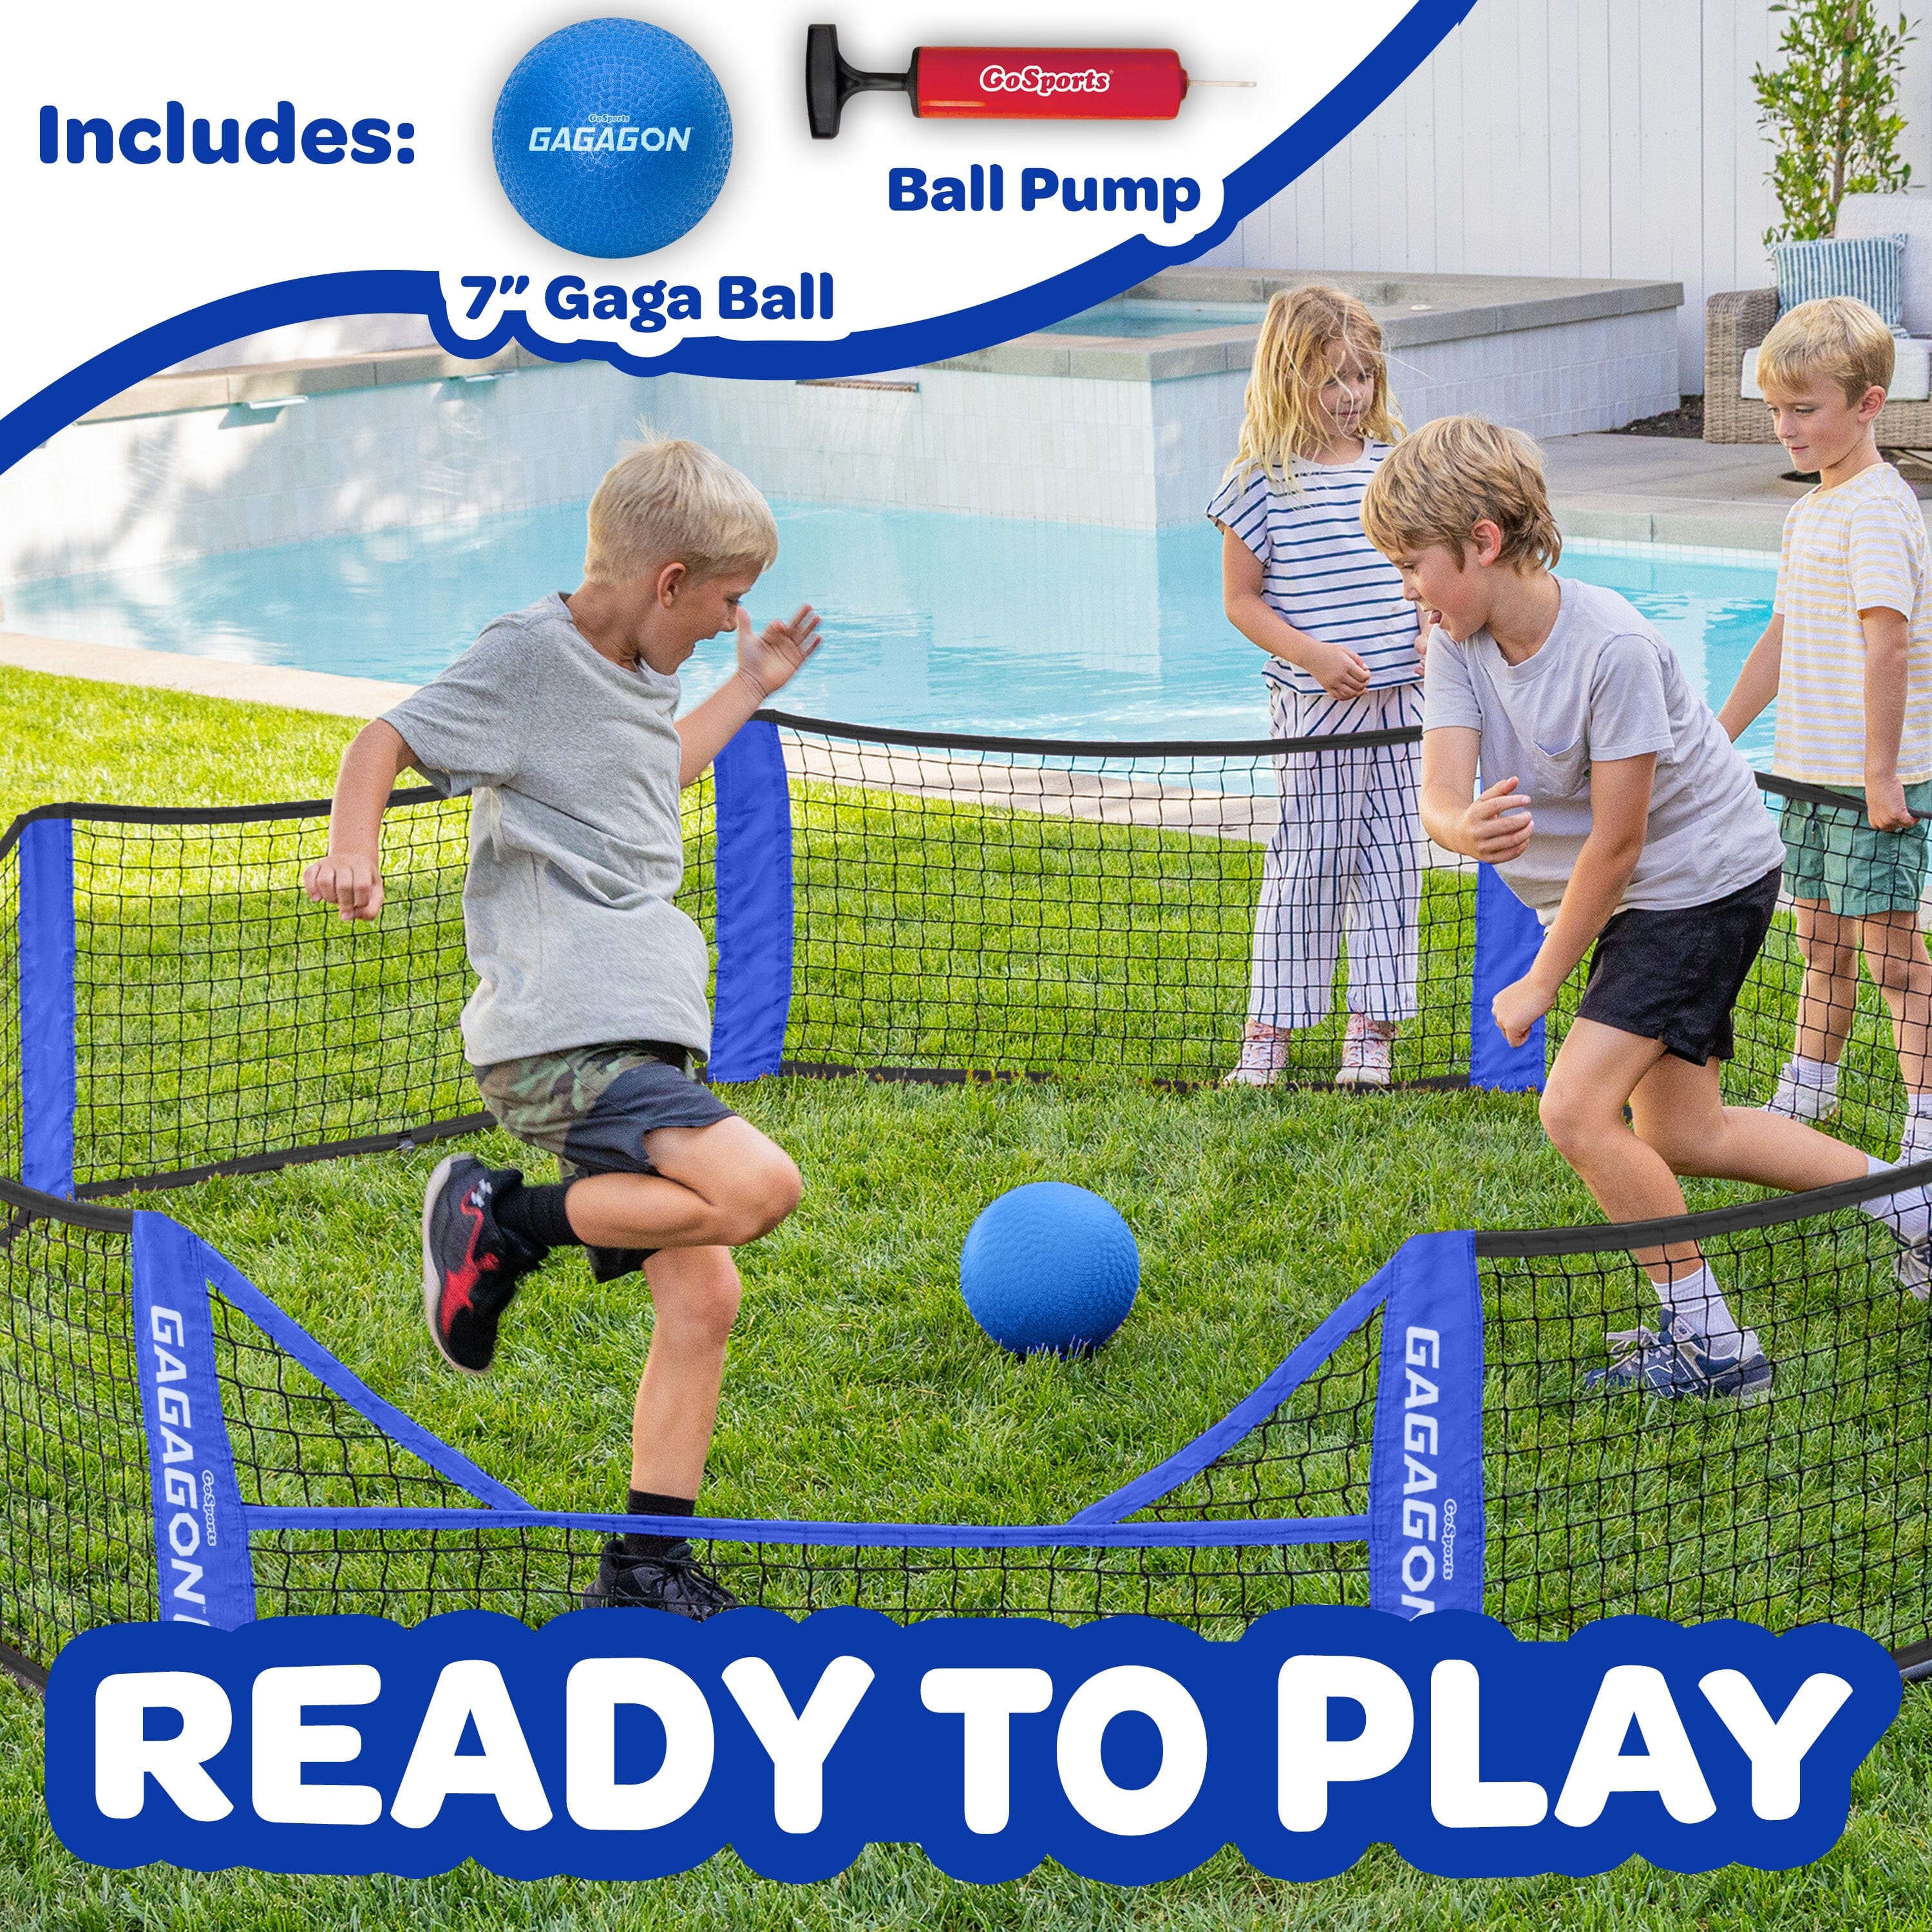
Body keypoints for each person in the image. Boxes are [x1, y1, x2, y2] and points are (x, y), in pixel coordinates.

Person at [303, 437, 820, 1615]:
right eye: (725, 609)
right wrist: (353, 845)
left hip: (634, 1028)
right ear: (670, 581)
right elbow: (384, 737)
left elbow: (648, 779)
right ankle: (502, 1221)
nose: (724, 629)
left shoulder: (643, 670)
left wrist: (746, 687)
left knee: (706, 1298)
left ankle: (644, 1569)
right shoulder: (528, 657)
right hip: (565, 1030)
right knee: (758, 1187)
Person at [1363, 414, 1932, 1399]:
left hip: (1698, 885)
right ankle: (1913, 1205)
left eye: (1414, 564)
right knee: (1683, 1136)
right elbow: (1441, 796)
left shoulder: (1612, 647)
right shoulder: (1453, 641)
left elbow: (1619, 849)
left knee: (1576, 1110)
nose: (1408, 588)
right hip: (1643, 897)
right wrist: (1463, 832)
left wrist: (1541, 982)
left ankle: (1715, 1345)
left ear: (1485, 542)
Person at [1714, 296, 1932, 1163]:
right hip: (1810, 776)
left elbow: (1889, 644)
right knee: (1821, 942)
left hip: (1868, 782)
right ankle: (1809, 1083)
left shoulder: (1879, 507)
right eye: (1776, 409)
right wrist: (1716, 733)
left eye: (1805, 409)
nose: (1786, 427)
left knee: (1893, 957)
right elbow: (1782, 636)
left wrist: (1882, 777)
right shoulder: (1810, 511)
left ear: (1868, 404)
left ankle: (1928, 1113)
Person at [1208, 285, 1430, 1090]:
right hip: (1316, 708)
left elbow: (1422, 573)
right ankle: (1269, 1030)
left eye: (1364, 377)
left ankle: (1371, 1030)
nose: (1352, 397)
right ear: (1288, 376)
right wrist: (1313, 656)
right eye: (1333, 379)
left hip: (1403, 707)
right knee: (1311, 860)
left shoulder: (1394, 470)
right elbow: (1241, 601)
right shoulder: (1259, 482)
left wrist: (1429, 629)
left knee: (1393, 859)